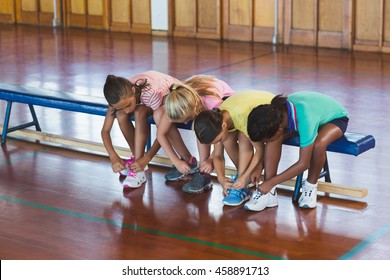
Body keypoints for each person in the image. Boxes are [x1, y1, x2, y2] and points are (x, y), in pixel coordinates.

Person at [245, 91, 349, 211]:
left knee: (318, 144)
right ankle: (270, 194)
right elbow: (274, 136)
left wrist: (272, 181)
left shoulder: (305, 117)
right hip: (311, 117)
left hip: (335, 119)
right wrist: (259, 167)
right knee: (273, 140)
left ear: (279, 130)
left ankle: (311, 186)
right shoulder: (275, 113)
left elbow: (303, 163)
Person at [193, 90, 275, 206]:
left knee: (243, 137)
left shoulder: (243, 118)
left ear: (224, 126)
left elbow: (260, 150)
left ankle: (242, 182)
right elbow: (217, 155)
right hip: (247, 106)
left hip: (271, 109)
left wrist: (246, 176)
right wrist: (221, 179)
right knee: (227, 139)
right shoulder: (218, 120)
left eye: (218, 140)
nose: (219, 142)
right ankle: (241, 179)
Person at [101, 70, 180, 188]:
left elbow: (163, 130)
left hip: (174, 94)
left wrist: (146, 159)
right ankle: (137, 161)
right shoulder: (116, 100)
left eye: (128, 105)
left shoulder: (152, 93)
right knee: (120, 114)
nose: (128, 110)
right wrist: (113, 156)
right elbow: (105, 131)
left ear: (133, 90)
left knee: (139, 112)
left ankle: (139, 167)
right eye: (123, 107)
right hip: (147, 95)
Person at [158, 75, 235, 194]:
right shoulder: (175, 103)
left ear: (194, 105)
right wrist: (176, 161)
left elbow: (219, 136)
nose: (185, 123)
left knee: (201, 128)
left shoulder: (213, 104)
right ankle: (193, 163)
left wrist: (210, 159)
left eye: (187, 118)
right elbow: (161, 134)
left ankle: (204, 173)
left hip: (226, 100)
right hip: (200, 91)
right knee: (161, 115)